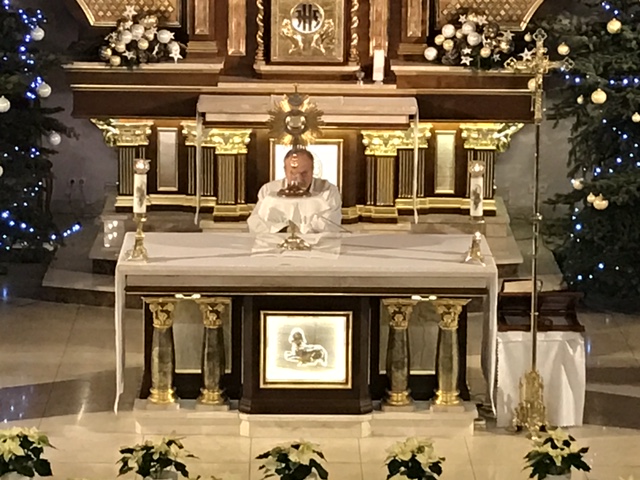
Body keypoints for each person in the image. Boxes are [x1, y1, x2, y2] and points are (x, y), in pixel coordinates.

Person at [247, 148, 342, 233]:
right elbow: (255, 222)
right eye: (293, 173)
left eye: (304, 173)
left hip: (316, 244)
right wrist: (284, 229)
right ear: (285, 170)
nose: (299, 179)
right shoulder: (269, 190)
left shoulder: (328, 191)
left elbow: (330, 224)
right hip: (277, 241)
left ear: (313, 170)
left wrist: (298, 232)